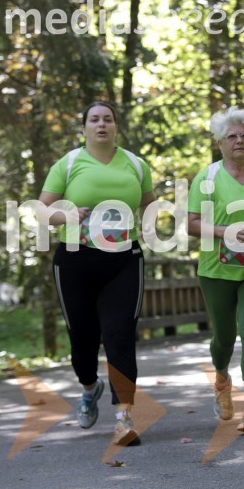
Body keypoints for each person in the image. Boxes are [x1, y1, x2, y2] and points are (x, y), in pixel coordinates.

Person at [38, 100, 155, 446]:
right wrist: (67, 216)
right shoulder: (69, 163)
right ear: (85, 127)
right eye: (94, 120)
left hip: (123, 260)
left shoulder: (135, 164)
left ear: (116, 126)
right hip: (75, 260)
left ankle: (123, 417)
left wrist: (148, 227)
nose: (101, 125)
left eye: (108, 119)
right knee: (83, 338)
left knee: (120, 335)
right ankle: (89, 387)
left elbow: (149, 204)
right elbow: (41, 211)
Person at [187, 107, 244, 434]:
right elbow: (191, 224)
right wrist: (225, 232)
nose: (239, 140)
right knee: (224, 336)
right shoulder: (206, 179)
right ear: (220, 143)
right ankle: (222, 380)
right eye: (231, 136)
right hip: (216, 269)